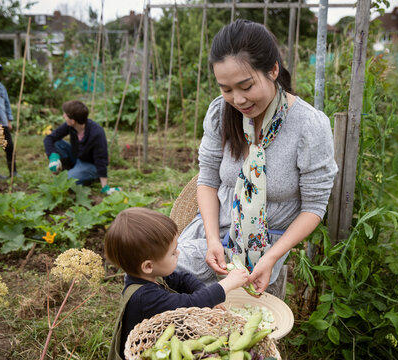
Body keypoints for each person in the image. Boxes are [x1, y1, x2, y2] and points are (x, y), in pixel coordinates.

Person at [176, 20, 338, 299]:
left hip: (264, 250)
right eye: (226, 89)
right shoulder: (220, 113)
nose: (237, 99)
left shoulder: (308, 126)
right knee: (157, 279)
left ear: (273, 70)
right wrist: (213, 240)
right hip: (210, 235)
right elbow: (208, 180)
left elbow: (314, 206)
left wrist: (272, 257)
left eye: (246, 86)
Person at [105, 207, 249, 360]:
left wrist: (206, 296)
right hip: (142, 354)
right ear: (148, 266)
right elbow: (192, 303)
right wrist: (227, 284)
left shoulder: (149, 276)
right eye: (173, 252)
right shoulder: (144, 297)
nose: (179, 253)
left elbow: (183, 278)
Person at [43, 100, 120, 194]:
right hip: (77, 157)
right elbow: (49, 138)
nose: (63, 116)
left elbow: (101, 159)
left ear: (73, 121)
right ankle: (70, 171)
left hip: (91, 164)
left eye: (65, 115)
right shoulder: (70, 126)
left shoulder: (96, 133)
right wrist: (53, 157)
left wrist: (105, 187)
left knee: (67, 182)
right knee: (56, 143)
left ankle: (89, 178)